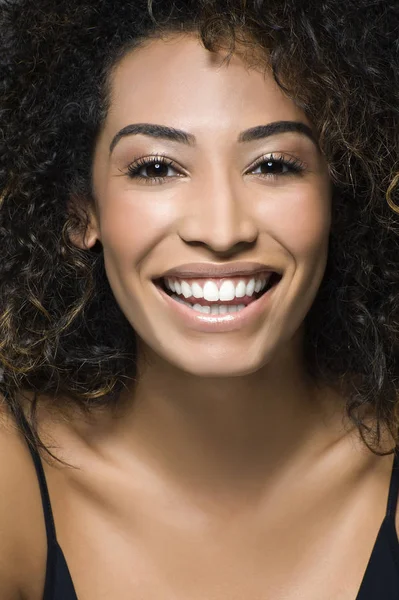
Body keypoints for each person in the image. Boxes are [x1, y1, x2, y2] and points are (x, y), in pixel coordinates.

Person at [0, 0, 398, 598]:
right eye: (158, 168)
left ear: (338, 192)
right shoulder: (14, 475)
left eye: (273, 164)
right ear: (82, 211)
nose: (221, 228)